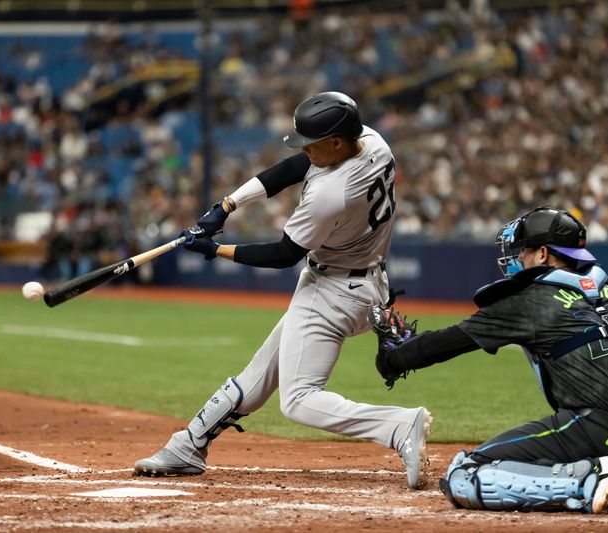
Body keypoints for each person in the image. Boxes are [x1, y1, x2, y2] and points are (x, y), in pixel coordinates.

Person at [133, 91, 431, 489]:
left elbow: (283, 253)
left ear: (337, 142)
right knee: (258, 377)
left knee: (299, 399)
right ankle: (188, 445)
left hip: (333, 292)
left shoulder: (331, 194)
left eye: (312, 143)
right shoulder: (373, 141)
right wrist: (227, 206)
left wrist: (214, 248)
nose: (305, 150)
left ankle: (397, 425)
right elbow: (292, 168)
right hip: (366, 285)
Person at [369, 207, 608, 513]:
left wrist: (393, 358)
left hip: (597, 428)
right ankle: (602, 465)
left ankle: (588, 482)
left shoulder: (530, 299)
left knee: (464, 475)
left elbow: (447, 343)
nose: (518, 258)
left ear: (543, 254)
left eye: (524, 250)